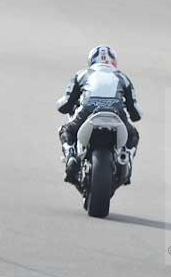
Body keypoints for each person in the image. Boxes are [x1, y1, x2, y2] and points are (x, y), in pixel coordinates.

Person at [57, 46, 142, 185]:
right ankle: (125, 160)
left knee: (66, 130)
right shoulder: (122, 77)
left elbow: (65, 105)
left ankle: (71, 157)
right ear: (114, 61)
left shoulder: (82, 74)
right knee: (133, 135)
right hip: (117, 113)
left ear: (91, 60)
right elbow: (136, 113)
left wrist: (62, 104)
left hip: (88, 111)